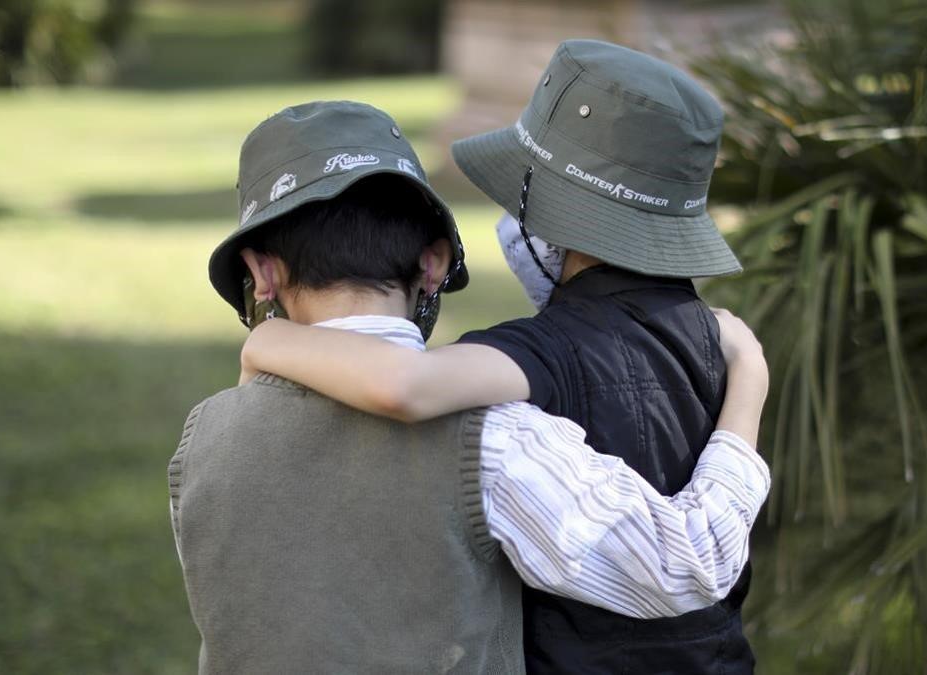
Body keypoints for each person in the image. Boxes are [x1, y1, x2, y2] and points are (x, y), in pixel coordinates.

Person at [169, 100, 771, 674]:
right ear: (433, 263)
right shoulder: (498, 439)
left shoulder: (201, 443)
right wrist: (747, 378)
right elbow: (682, 564)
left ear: (261, 273)